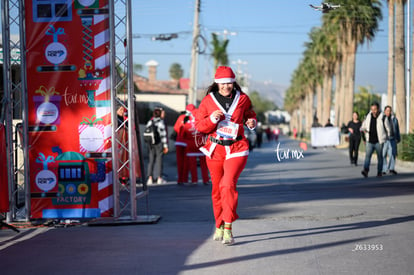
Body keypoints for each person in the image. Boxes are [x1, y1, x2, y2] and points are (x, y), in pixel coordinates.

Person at [195, 66, 256, 245]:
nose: (225, 86)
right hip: (215, 149)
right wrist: (212, 119)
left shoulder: (243, 99)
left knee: (228, 185)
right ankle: (219, 224)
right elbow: (199, 126)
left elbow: (250, 115)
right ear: (216, 83)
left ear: (233, 82)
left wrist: (251, 122)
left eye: (229, 83)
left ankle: (228, 227)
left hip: (237, 147)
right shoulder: (208, 101)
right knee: (217, 190)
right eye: (222, 83)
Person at [182, 110, 210, 185]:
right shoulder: (202, 123)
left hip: (191, 146)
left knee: (192, 164)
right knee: (203, 164)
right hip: (201, 145)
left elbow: (183, 135)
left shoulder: (187, 124)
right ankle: (205, 179)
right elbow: (207, 132)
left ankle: (194, 180)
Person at [360, 102, 387, 178]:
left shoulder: (383, 117)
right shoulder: (368, 116)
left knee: (380, 157)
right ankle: (366, 170)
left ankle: (379, 172)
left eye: (375, 109)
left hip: (379, 141)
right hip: (370, 140)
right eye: (372, 109)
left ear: (378, 109)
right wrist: (364, 130)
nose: (373, 111)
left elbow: (388, 128)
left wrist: (386, 137)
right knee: (367, 156)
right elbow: (363, 126)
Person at [173, 104, 196, 185]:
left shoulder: (181, 117)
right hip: (187, 142)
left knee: (179, 162)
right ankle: (185, 179)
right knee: (186, 162)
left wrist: (180, 133)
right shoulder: (192, 118)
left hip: (179, 142)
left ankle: (180, 180)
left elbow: (175, 128)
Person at [146, 107, 168, 184]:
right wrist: (165, 146)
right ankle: (159, 178)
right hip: (158, 143)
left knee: (151, 161)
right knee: (159, 160)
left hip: (150, 144)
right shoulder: (161, 122)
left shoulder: (150, 121)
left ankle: (150, 178)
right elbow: (163, 135)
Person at [382, 105, 401, 175]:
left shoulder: (394, 119)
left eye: (389, 111)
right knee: (383, 154)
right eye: (387, 111)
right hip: (384, 139)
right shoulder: (382, 119)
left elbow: (397, 129)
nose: (388, 112)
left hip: (392, 138)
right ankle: (383, 169)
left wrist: (398, 138)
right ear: (384, 111)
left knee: (392, 154)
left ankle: (391, 168)